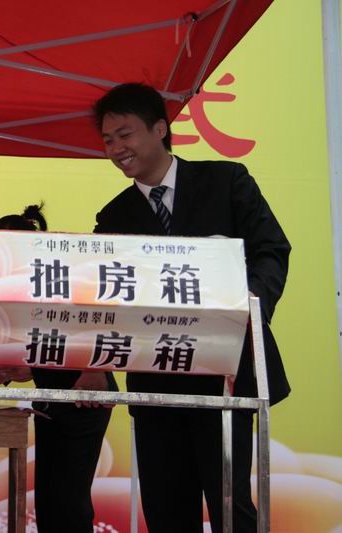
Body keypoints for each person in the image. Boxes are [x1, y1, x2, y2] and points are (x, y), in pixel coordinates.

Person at [92, 82, 290, 532]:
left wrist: (247, 311)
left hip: (226, 376)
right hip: (155, 383)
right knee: (166, 510)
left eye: (124, 134)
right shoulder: (113, 217)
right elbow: (106, 296)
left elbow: (271, 251)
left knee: (230, 506)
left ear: (160, 129)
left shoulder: (226, 181)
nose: (116, 149)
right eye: (107, 140)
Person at [0, 204, 116, 533]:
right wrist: (23, 370)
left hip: (86, 397)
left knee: (70, 498)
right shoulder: (18, 286)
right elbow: (55, 346)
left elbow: (98, 319)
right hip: (50, 399)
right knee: (49, 497)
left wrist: (93, 370)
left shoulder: (64, 274)